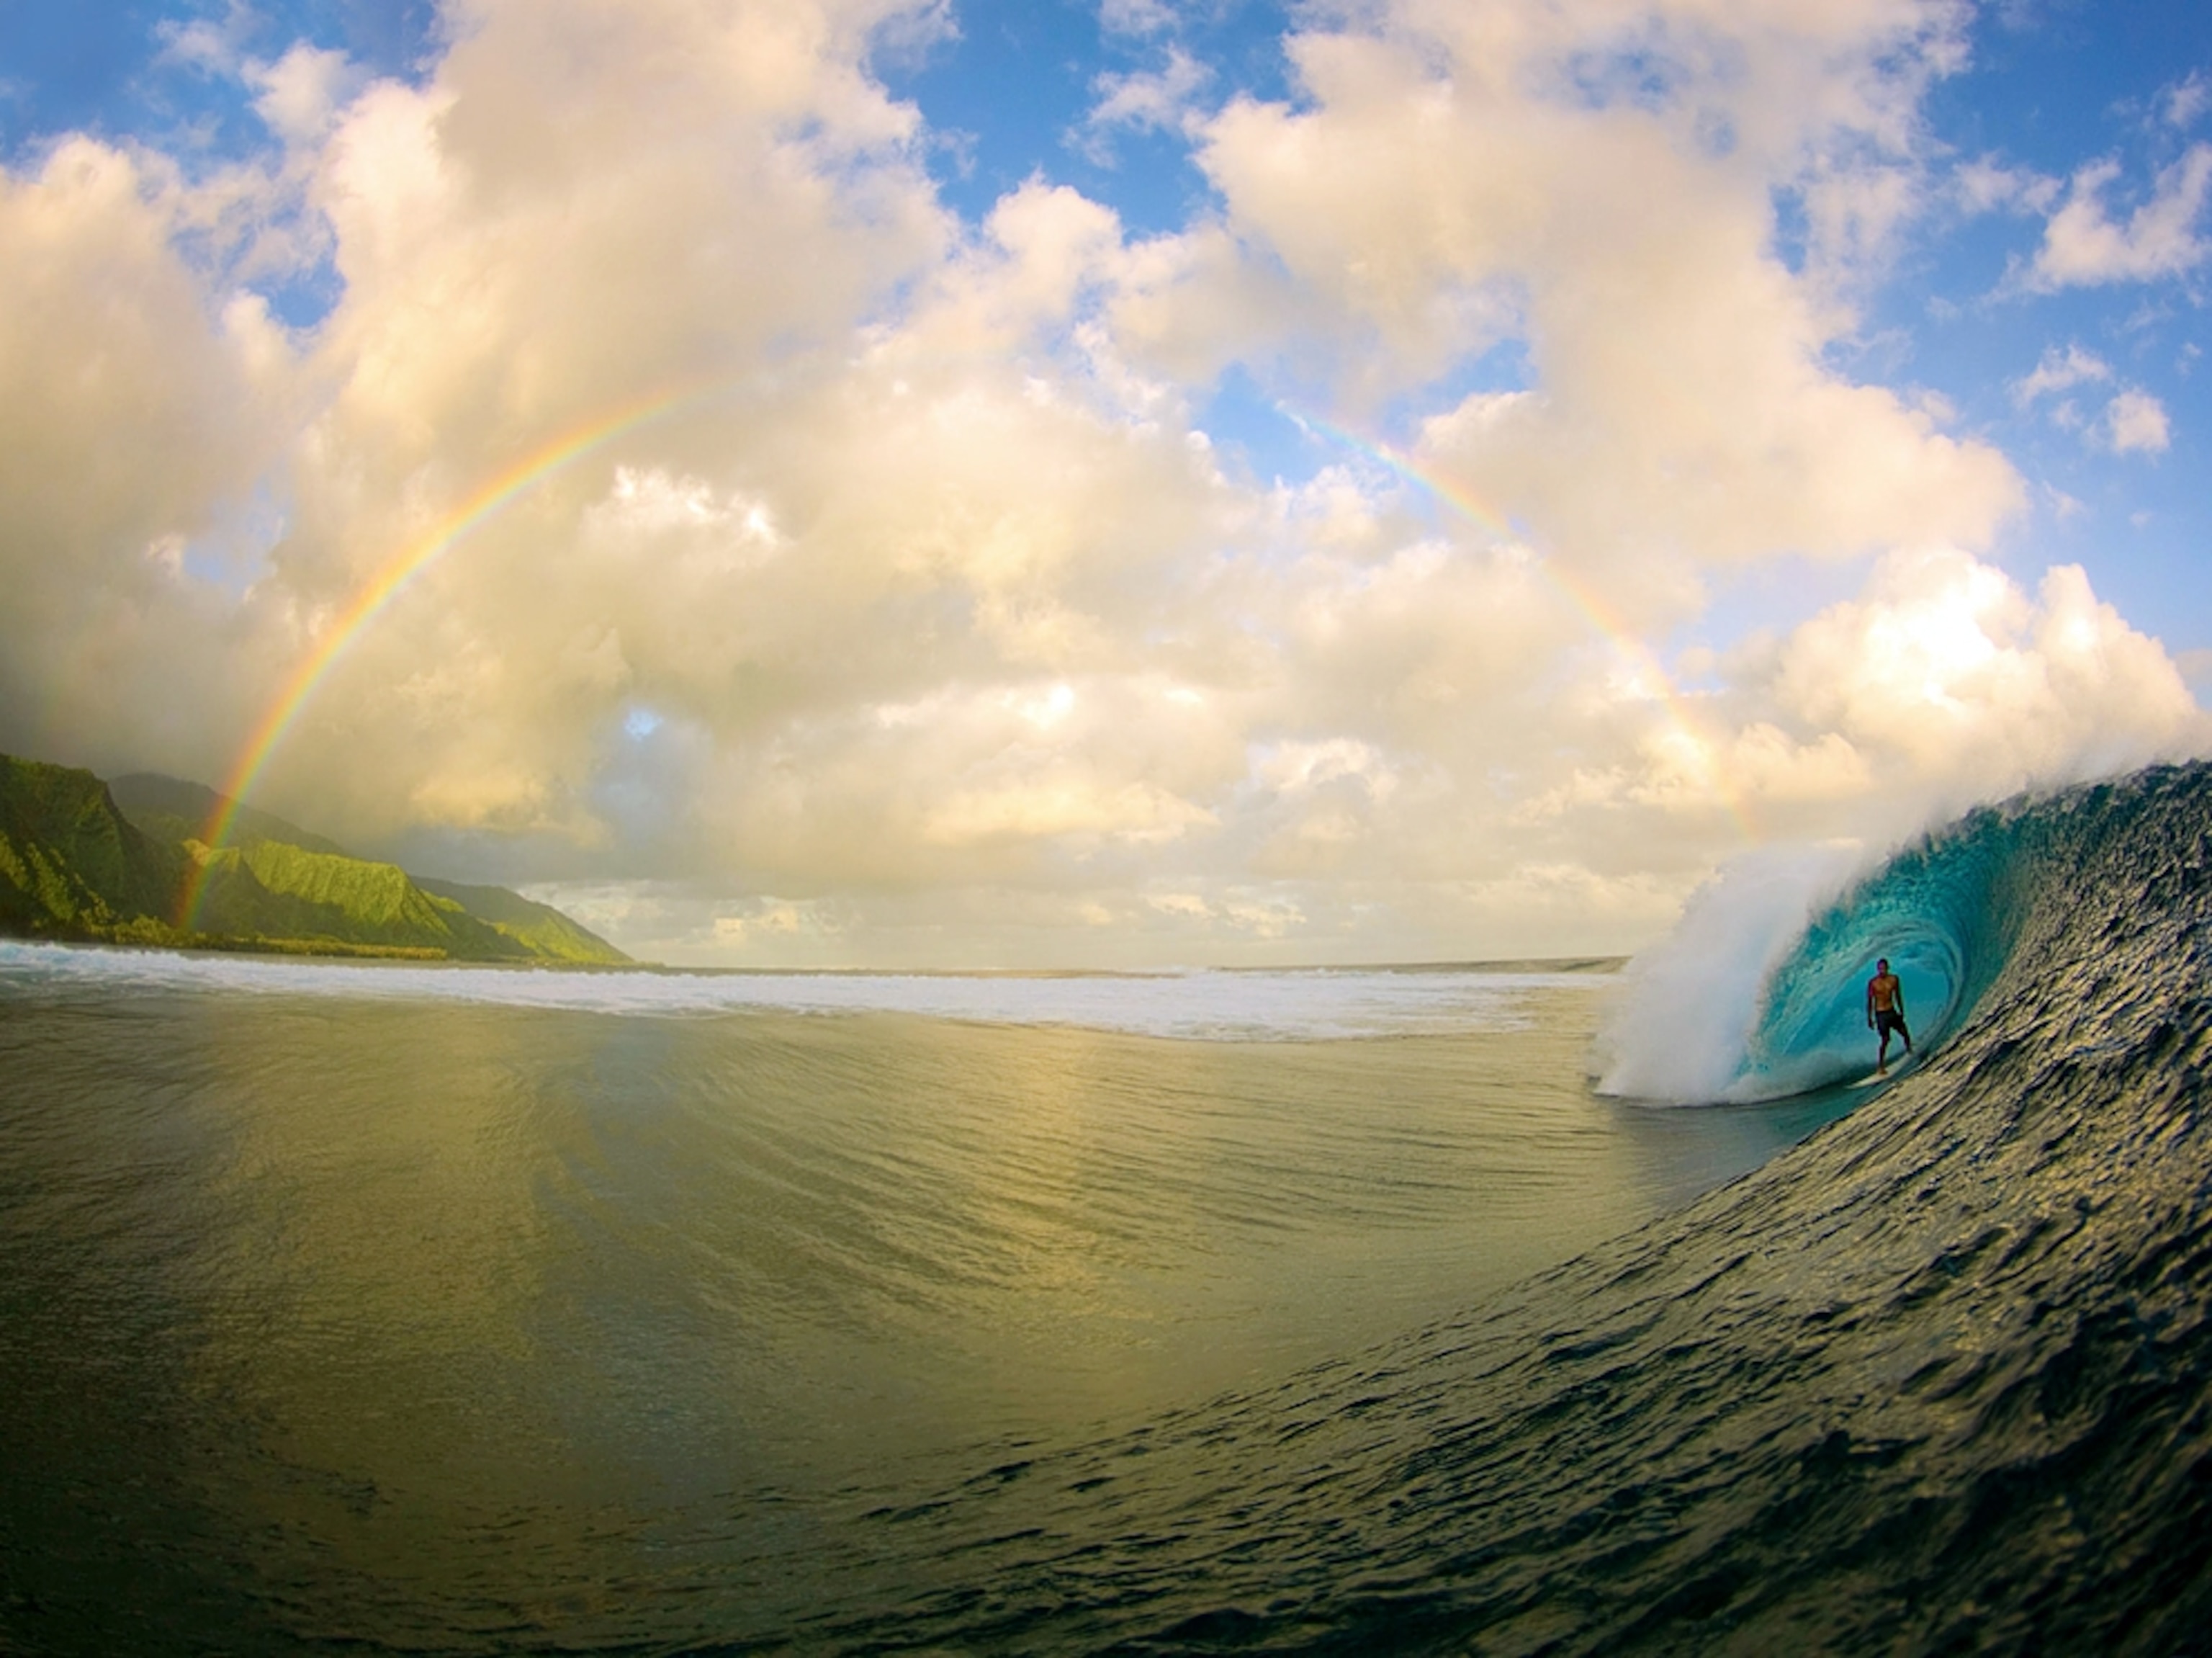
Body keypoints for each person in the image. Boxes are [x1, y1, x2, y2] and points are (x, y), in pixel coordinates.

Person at [1866, 957, 1911, 1075]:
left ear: (1888, 968)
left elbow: (1898, 996)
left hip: (1892, 1011)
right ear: (1877, 969)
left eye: (1884, 968)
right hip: (1881, 1014)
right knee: (1886, 1040)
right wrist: (1870, 1018)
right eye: (1880, 969)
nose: (1882, 971)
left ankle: (1910, 1051)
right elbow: (1870, 1002)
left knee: (1905, 1032)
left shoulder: (1894, 979)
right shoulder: (1873, 983)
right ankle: (1881, 1066)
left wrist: (1902, 1011)